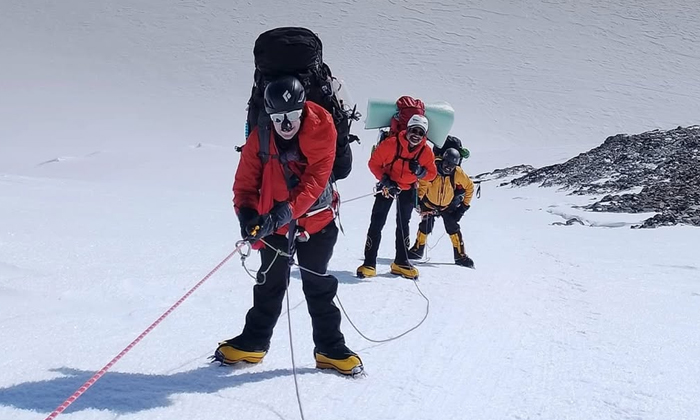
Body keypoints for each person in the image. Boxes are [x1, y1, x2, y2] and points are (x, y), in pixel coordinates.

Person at [213, 76, 362, 376]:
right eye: (278, 117)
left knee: (317, 283)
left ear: (303, 108)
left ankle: (330, 348)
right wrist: (245, 213)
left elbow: (314, 182)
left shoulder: (323, 128)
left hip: (317, 222)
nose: (285, 124)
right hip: (272, 227)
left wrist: (284, 213)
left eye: (292, 116)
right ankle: (254, 343)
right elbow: (245, 180)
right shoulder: (261, 134)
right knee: (269, 283)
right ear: (269, 113)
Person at [356, 115, 438, 280]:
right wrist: (386, 181)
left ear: (424, 136)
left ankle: (401, 262)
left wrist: (421, 172)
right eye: (413, 130)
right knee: (377, 223)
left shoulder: (425, 151)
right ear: (407, 130)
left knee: (403, 225)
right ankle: (369, 263)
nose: (416, 135)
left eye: (420, 133)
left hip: (408, 189)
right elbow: (374, 163)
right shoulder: (391, 144)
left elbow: (432, 174)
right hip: (387, 186)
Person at [407, 148, 475, 268]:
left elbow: (469, 187)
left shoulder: (458, 173)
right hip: (429, 204)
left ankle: (460, 255)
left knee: (453, 227)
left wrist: (464, 207)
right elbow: (423, 185)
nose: (449, 167)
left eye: (452, 165)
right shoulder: (432, 170)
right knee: (425, 225)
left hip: (447, 206)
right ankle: (418, 250)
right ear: (443, 160)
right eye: (447, 163)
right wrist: (418, 202)